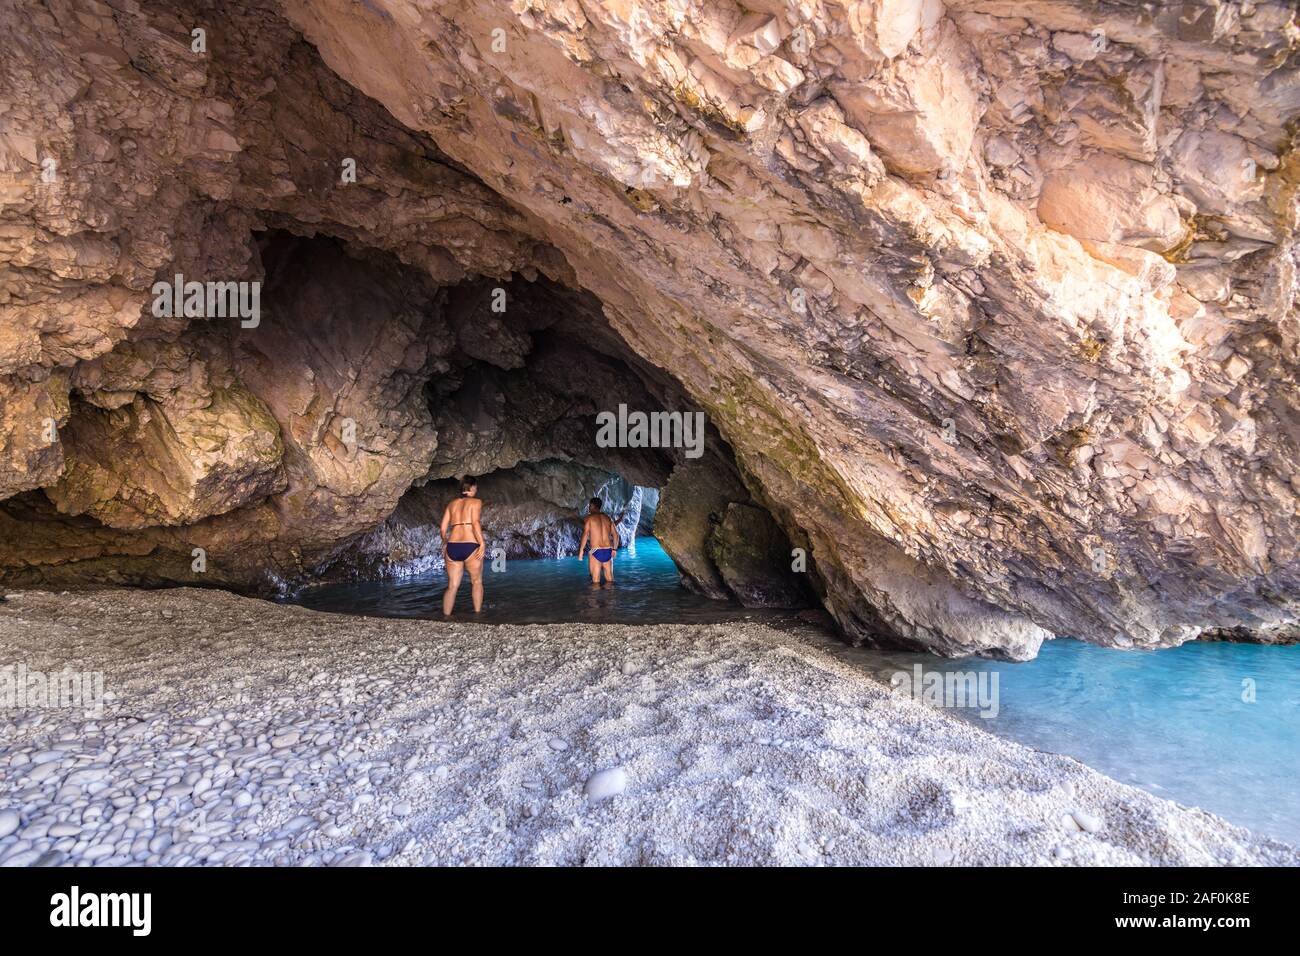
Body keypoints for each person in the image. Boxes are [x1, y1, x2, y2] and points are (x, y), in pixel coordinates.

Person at [440, 477, 484, 615]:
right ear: (471, 487)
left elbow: (442, 528)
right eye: (475, 487)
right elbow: (475, 522)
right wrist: (482, 543)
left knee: (452, 585)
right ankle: (478, 616)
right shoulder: (476, 502)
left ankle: (446, 617)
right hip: (470, 545)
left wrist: (445, 541)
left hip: (452, 547)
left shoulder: (452, 504)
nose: (476, 490)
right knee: (476, 582)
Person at [578, 497, 623, 586]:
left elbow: (585, 535)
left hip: (596, 551)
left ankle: (594, 599)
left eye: (589, 506)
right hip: (608, 551)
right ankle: (611, 599)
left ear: (593, 506)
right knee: (610, 580)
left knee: (595, 581)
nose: (588, 508)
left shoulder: (589, 518)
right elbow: (616, 535)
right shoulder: (608, 518)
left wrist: (581, 551)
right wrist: (614, 549)